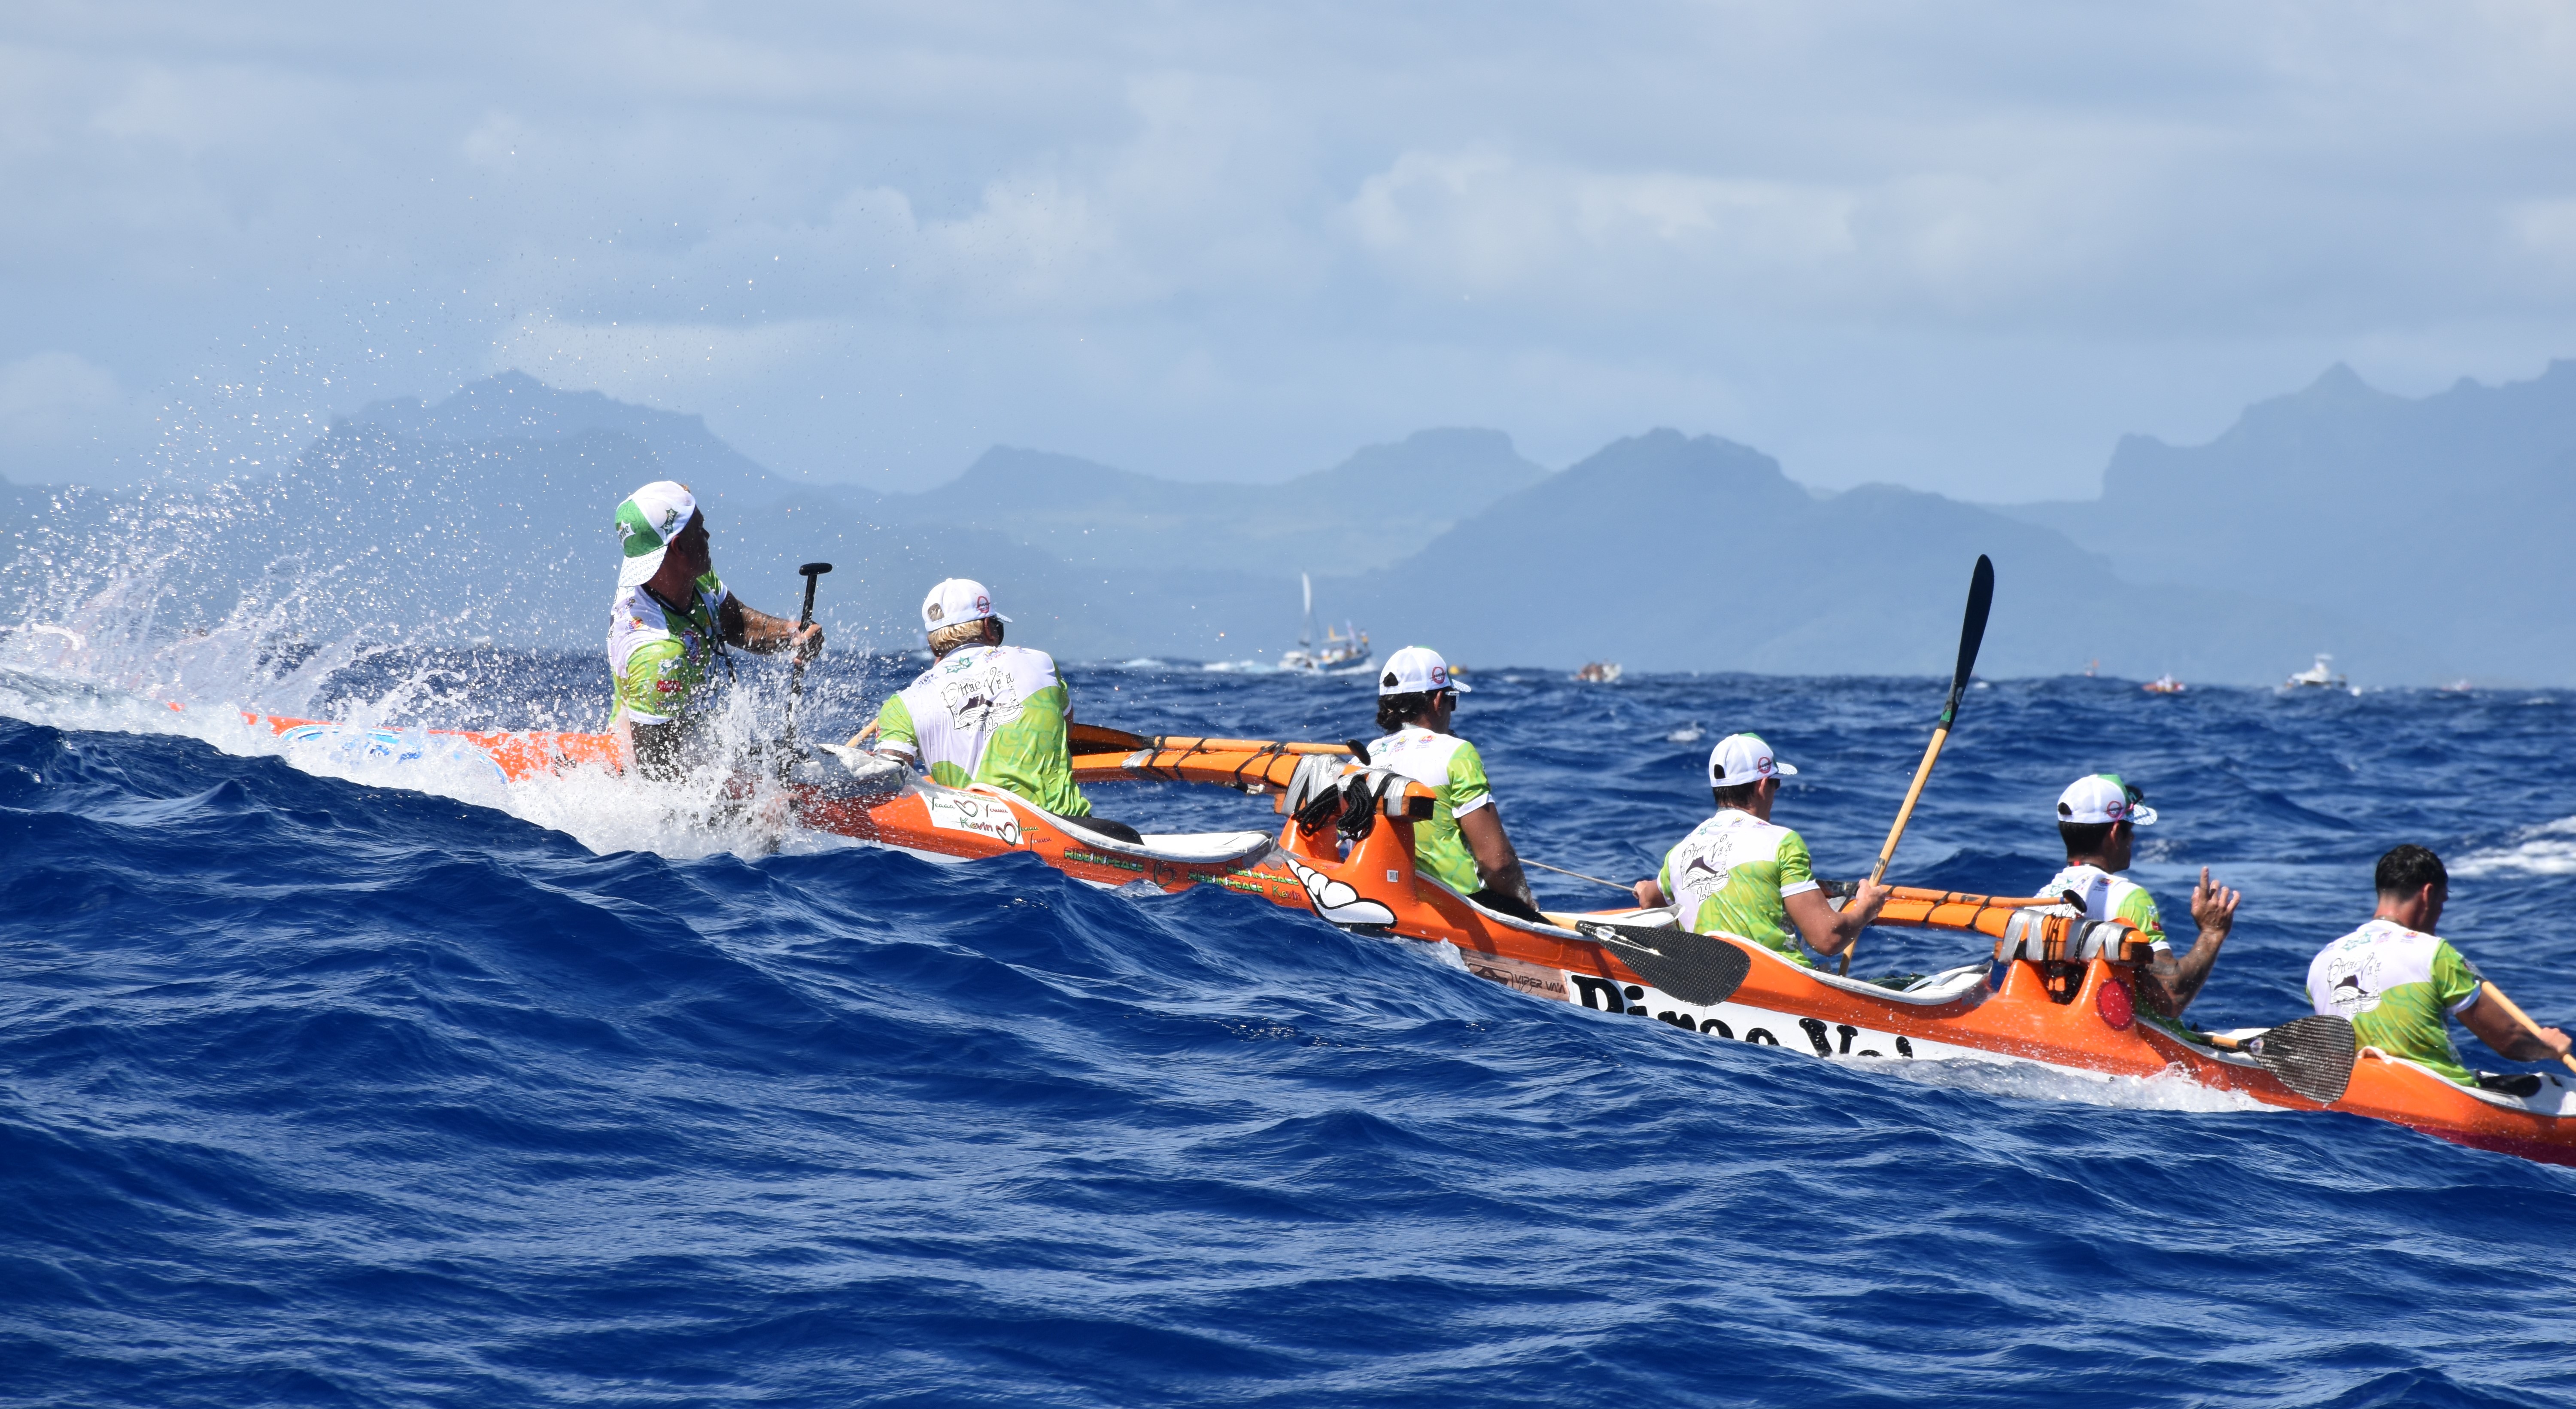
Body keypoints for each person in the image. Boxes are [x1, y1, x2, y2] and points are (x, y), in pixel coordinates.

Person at [861, 578, 1140, 843]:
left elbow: (888, 783)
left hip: (974, 844)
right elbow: (1065, 728)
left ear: (934, 639)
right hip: (1066, 832)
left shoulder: (903, 703)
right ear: (988, 627)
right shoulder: (1039, 663)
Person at [607, 480, 820, 779]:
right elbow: (660, 790)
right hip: (647, 771)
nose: (707, 534)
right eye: (700, 527)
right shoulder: (659, 653)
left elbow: (736, 624)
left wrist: (790, 635)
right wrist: (756, 809)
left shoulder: (682, 573)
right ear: (679, 546)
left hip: (701, 751)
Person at [2307, 844, 2570, 1086]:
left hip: (2354, 1087)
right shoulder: (2434, 953)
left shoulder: (2323, 960)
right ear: (2428, 894)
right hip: (2433, 1094)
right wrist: (2548, 1048)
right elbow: (2509, 1041)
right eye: (2442, 902)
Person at [1631, 734, 1893, 967]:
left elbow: (1651, 899)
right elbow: (1827, 939)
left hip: (1707, 979)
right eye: (1776, 783)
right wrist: (1867, 909)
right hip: (1779, 987)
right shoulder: (1782, 843)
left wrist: (1645, 889)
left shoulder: (1679, 853)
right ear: (1762, 785)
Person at [2040, 773, 2238, 1021]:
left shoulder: (2045, 897)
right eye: (2129, 829)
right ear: (2115, 834)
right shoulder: (2128, 897)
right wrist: (2212, 933)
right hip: (2119, 1040)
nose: (2132, 838)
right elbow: (2170, 999)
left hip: (2057, 1022)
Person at [1365, 645, 1543, 922]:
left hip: (1387, 897)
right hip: (1459, 907)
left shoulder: (1369, 756)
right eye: (1452, 699)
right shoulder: (1457, 753)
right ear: (1438, 701)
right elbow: (1497, 863)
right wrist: (1525, 904)